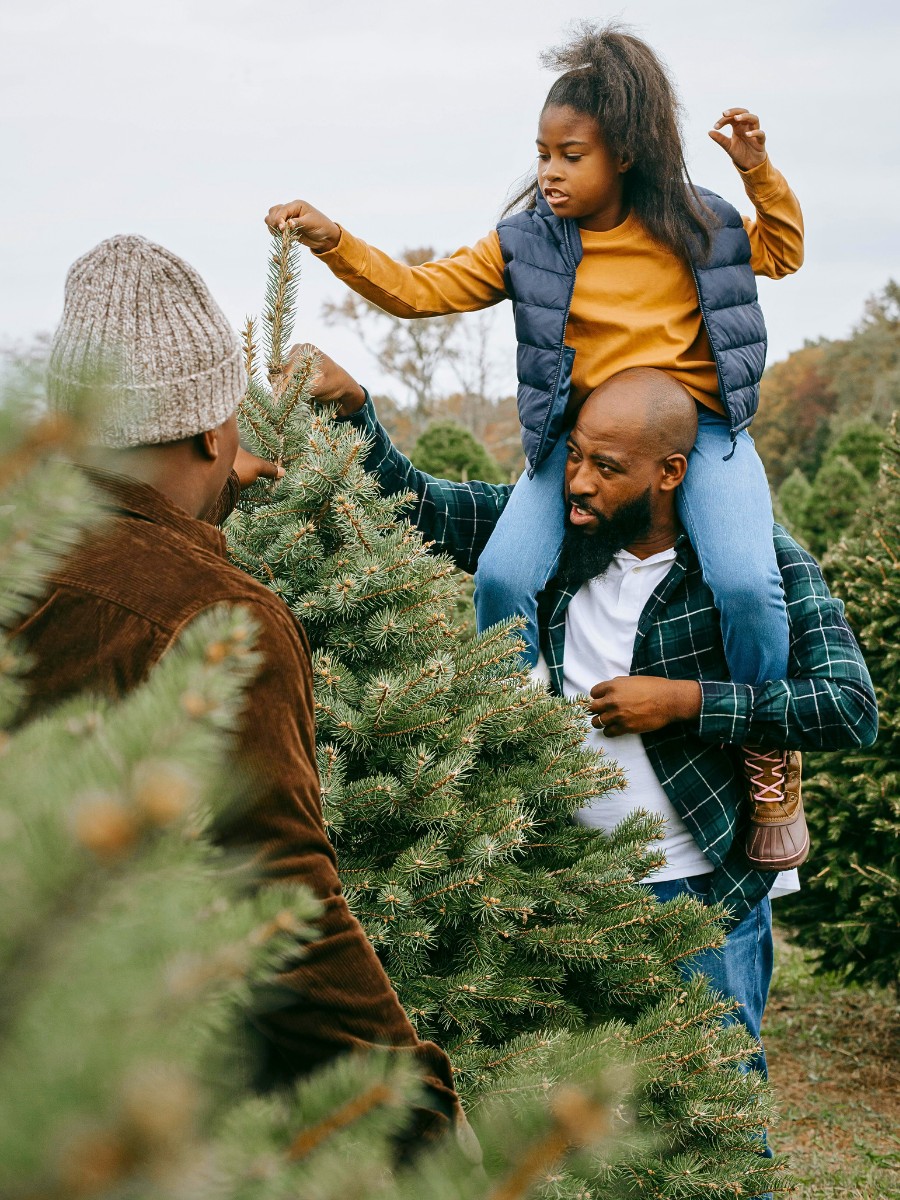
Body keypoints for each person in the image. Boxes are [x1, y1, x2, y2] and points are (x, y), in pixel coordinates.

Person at [264, 23, 808, 871]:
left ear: (623, 153)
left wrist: (755, 169)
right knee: (504, 576)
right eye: (543, 153)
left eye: (571, 154)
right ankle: (527, 746)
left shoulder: (703, 223)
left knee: (746, 580)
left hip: (697, 431)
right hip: (579, 437)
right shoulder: (526, 244)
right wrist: (336, 242)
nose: (549, 171)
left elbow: (784, 251)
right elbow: (419, 291)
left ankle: (768, 750)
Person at [296, 348, 878, 1104]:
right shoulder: (557, 541)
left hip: (698, 894)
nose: (578, 482)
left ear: (669, 472)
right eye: (574, 458)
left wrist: (683, 702)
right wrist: (356, 410)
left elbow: (847, 704)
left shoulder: (756, 564)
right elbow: (419, 503)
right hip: (562, 886)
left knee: (714, 1108)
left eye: (607, 467)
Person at [13, 234, 460, 1145]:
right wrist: (414, 1113)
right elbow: (278, 903)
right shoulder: (217, 620)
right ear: (214, 430)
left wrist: (203, 499)